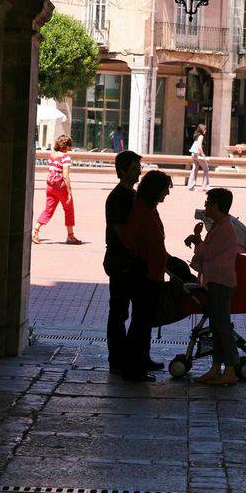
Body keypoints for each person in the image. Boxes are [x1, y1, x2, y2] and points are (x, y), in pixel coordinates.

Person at [121, 170, 173, 381]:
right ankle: (134, 368)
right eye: (165, 189)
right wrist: (142, 255)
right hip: (144, 274)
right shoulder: (141, 209)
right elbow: (128, 238)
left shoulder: (150, 209)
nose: (167, 193)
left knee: (145, 319)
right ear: (155, 190)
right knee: (140, 322)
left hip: (154, 273)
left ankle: (143, 359)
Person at [186, 188, 241, 386]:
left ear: (217, 205)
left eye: (208, 202)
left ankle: (231, 370)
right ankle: (216, 368)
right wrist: (198, 239)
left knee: (223, 327)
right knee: (217, 328)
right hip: (215, 281)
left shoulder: (225, 228)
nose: (205, 205)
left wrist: (197, 239)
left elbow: (207, 253)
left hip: (221, 282)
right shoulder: (219, 225)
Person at [103, 150, 142, 375]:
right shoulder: (118, 197)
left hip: (129, 261)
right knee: (118, 311)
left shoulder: (132, 195)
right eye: (135, 168)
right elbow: (120, 231)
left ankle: (129, 355)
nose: (139, 171)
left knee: (126, 311)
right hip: (121, 262)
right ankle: (117, 359)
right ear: (123, 170)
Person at [32, 134, 82, 245]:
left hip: (50, 186)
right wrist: (69, 191)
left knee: (48, 210)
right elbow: (65, 175)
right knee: (69, 210)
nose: (70, 148)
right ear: (67, 146)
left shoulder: (52, 155)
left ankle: (35, 231)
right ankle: (70, 236)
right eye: (70, 145)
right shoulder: (65, 157)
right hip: (61, 186)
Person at [187, 124, 210, 191]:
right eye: (205, 129)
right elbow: (199, 147)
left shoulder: (197, 136)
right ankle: (205, 187)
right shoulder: (201, 136)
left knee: (195, 169)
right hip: (197, 155)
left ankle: (191, 187)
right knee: (206, 169)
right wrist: (203, 155)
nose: (206, 131)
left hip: (193, 154)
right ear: (203, 130)